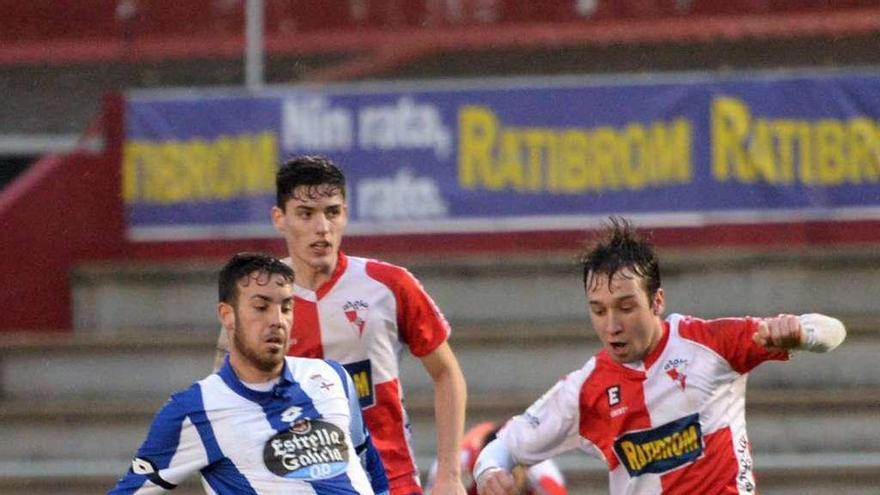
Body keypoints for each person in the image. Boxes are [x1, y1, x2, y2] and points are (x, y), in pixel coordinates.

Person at [473, 218, 847, 495]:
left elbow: (834, 331)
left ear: (657, 301)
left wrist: (801, 334)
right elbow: (502, 447)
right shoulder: (585, 389)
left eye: (625, 307)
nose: (612, 325)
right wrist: (489, 472)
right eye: (599, 311)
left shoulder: (710, 343)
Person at [213, 156, 468, 495]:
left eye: (332, 212)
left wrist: (449, 476)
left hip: (389, 481)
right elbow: (226, 404)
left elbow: (447, 373)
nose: (322, 227)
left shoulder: (389, 285)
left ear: (345, 214)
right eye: (306, 214)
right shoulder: (255, 301)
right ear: (280, 218)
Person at [110, 253, 389, 494]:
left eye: (287, 307)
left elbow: (368, 465)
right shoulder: (194, 409)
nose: (277, 321)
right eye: (261, 307)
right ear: (227, 315)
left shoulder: (331, 376)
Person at [425, 422, 566, 495]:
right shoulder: (456, 468)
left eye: (512, 476)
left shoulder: (544, 478)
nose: (502, 488)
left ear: (525, 468)